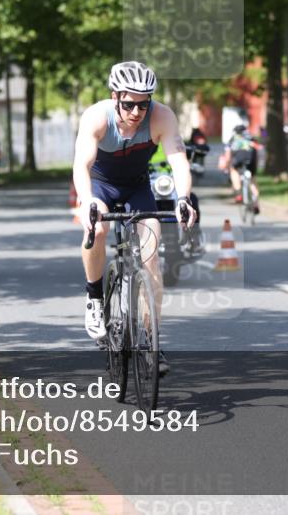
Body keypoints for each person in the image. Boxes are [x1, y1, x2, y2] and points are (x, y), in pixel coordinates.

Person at [73, 61, 197, 375]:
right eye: (129, 104)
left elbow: (178, 161)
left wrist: (183, 199)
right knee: (97, 230)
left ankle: (150, 341)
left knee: (152, 256)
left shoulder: (162, 116)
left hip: (138, 188)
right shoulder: (96, 117)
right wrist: (88, 201)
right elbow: (81, 165)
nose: (136, 112)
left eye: (143, 105)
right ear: (115, 96)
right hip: (100, 187)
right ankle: (94, 298)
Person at [219, 124, 260, 212]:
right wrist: (255, 165)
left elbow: (228, 156)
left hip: (238, 158)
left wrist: (227, 166)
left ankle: (238, 194)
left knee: (234, 171)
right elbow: (257, 152)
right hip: (251, 159)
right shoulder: (251, 138)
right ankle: (256, 204)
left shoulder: (232, 140)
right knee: (253, 180)